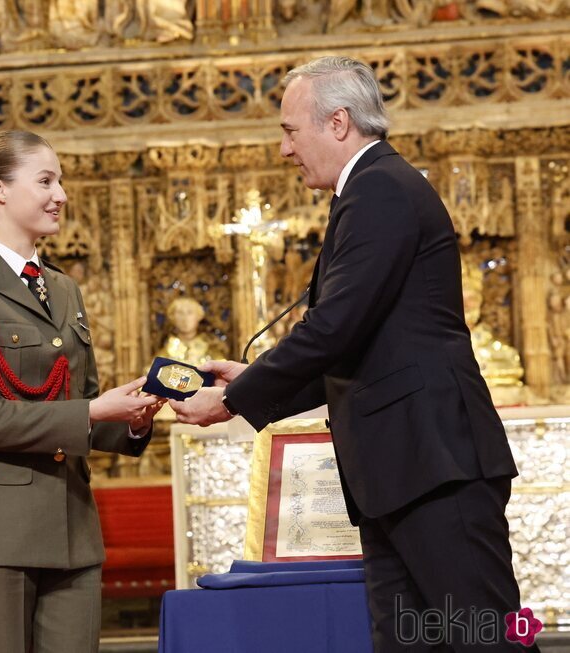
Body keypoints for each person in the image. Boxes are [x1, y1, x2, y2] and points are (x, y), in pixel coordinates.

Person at [170, 56, 537, 652]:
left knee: (483, 638)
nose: (285, 149)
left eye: (291, 130)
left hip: (433, 465)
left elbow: (336, 327)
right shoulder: (371, 191)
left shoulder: (381, 190)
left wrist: (235, 399)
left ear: (338, 122)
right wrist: (256, 381)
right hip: (403, 471)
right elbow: (364, 348)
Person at [0, 129, 164, 653]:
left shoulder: (62, 288)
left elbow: (82, 403)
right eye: (46, 180)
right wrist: (94, 409)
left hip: (71, 527)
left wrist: (132, 419)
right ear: (0, 191)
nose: (61, 195)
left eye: (61, 181)